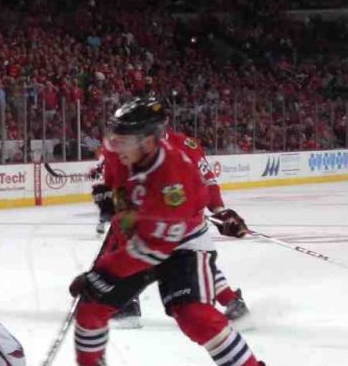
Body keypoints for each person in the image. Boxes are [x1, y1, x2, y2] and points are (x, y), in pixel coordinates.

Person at [56, 97, 293, 366]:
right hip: (135, 240)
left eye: (125, 139)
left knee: (195, 315)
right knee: (91, 306)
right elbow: (113, 184)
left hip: (181, 245)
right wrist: (109, 200)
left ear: (150, 140)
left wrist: (104, 272)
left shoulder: (175, 178)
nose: (114, 144)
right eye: (116, 136)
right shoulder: (117, 152)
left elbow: (152, 249)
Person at [93, 95, 250, 326]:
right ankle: (232, 302)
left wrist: (219, 210)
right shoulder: (122, 147)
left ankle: (127, 307)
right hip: (153, 217)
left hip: (176, 221)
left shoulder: (186, 146)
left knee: (137, 256)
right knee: (188, 261)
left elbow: (207, 182)